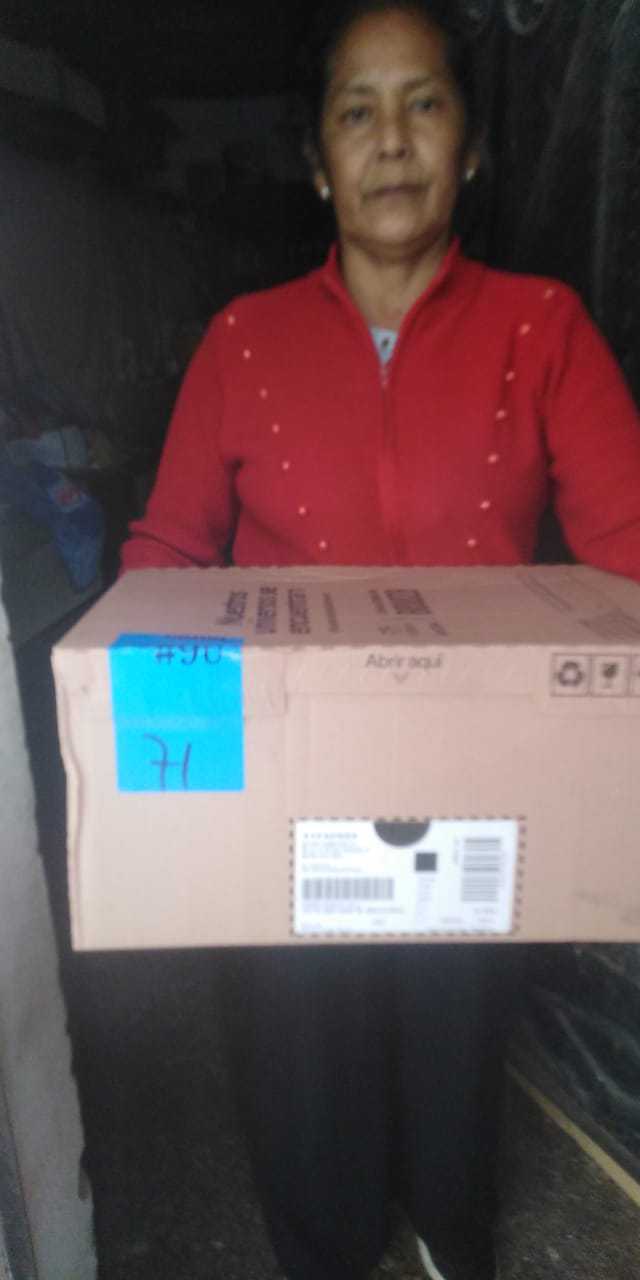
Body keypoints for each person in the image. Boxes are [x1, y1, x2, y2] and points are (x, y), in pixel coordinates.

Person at [121, 3, 640, 1278]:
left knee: (453, 1048)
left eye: (424, 103)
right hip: (286, 802)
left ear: (472, 146)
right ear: (317, 160)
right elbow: (167, 559)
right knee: (303, 1068)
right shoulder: (244, 340)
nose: (392, 139)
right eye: (357, 110)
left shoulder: (544, 327)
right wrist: (165, 783)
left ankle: (449, 1236)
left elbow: (628, 552)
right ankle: (330, 1242)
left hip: (474, 792)